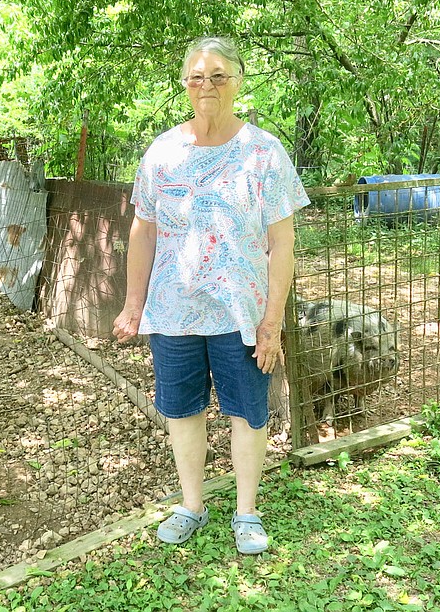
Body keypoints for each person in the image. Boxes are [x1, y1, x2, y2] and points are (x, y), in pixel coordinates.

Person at [112, 36, 309, 554]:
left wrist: (272, 320)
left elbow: (283, 243)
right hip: (174, 311)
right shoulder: (161, 152)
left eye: (218, 75)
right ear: (184, 84)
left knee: (247, 411)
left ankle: (246, 513)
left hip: (240, 312)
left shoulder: (264, 153)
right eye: (198, 76)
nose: (208, 85)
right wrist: (134, 307)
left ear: (237, 81)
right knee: (182, 412)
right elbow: (143, 230)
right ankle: (191, 505)